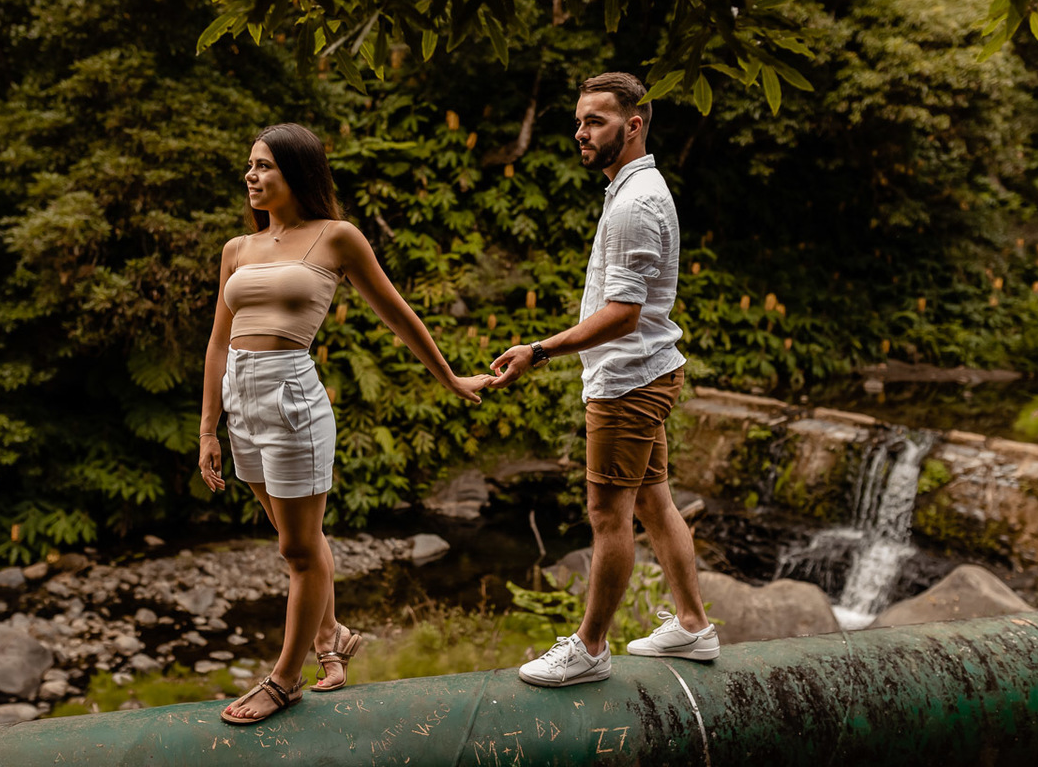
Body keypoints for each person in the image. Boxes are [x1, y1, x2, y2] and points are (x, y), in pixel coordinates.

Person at [199, 123, 493, 724]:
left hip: (291, 403)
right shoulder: (237, 249)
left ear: (296, 172)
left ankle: (284, 681)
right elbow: (217, 344)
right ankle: (332, 636)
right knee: (298, 542)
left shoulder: (337, 238)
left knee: (297, 547)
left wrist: (451, 379)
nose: (252, 177)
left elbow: (398, 314)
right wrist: (208, 427)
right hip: (241, 406)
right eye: (249, 166)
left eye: (264, 166)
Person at [489, 72, 718, 687]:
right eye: (579, 121)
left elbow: (623, 315)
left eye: (595, 122)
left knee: (608, 515)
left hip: (627, 382)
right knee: (652, 499)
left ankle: (590, 648)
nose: (580, 133)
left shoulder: (636, 202)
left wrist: (539, 349)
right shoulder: (632, 191)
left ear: (633, 125)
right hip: (644, 374)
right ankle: (694, 626)